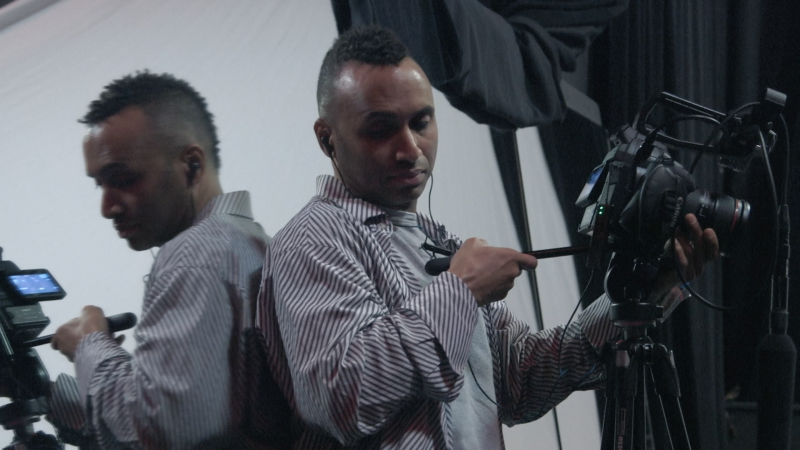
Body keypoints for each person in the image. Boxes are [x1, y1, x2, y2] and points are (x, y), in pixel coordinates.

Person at [257, 25, 719, 450]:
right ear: (327, 139)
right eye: (380, 129)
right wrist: (460, 292)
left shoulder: (435, 239)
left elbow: (520, 381)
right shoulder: (313, 240)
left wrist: (637, 294)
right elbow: (345, 398)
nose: (410, 149)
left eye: (420, 122)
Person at [47, 71, 271, 449]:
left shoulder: (195, 256)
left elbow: (159, 430)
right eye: (100, 183)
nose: (107, 207)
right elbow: (183, 414)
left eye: (124, 178)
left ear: (191, 166)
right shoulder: (246, 240)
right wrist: (43, 391)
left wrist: (90, 345)